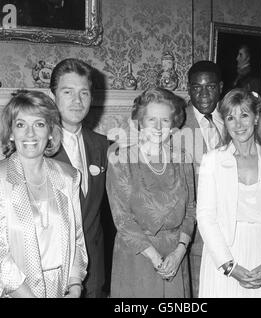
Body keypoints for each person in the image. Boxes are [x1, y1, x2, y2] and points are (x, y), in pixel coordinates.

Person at [0, 90, 88, 298]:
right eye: (20, 125)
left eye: (39, 124)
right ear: (10, 133)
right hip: (17, 292)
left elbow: (77, 238)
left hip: (62, 287)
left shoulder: (68, 176)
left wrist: (75, 285)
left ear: (51, 132)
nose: (30, 134)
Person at [196, 88, 261, 297]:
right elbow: (205, 218)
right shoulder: (212, 161)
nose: (238, 124)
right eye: (231, 117)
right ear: (224, 121)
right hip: (225, 255)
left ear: (256, 117)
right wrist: (229, 267)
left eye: (244, 115)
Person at [106, 87, 196, 298]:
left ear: (173, 124)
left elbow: (191, 209)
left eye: (165, 120)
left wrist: (179, 252)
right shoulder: (121, 159)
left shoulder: (182, 158)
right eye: (151, 120)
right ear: (140, 122)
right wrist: (157, 259)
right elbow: (123, 219)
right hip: (138, 258)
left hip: (176, 256)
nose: (158, 127)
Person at [50, 58, 110, 298]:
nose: (77, 101)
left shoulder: (102, 145)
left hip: (94, 271)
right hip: (53, 269)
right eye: (68, 92)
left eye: (83, 93)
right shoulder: (37, 146)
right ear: (52, 95)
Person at [179, 60, 225, 297]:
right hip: (194, 234)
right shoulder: (175, 123)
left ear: (220, 87)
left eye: (210, 87)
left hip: (232, 228)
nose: (203, 94)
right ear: (188, 88)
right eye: (196, 87)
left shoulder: (235, 119)